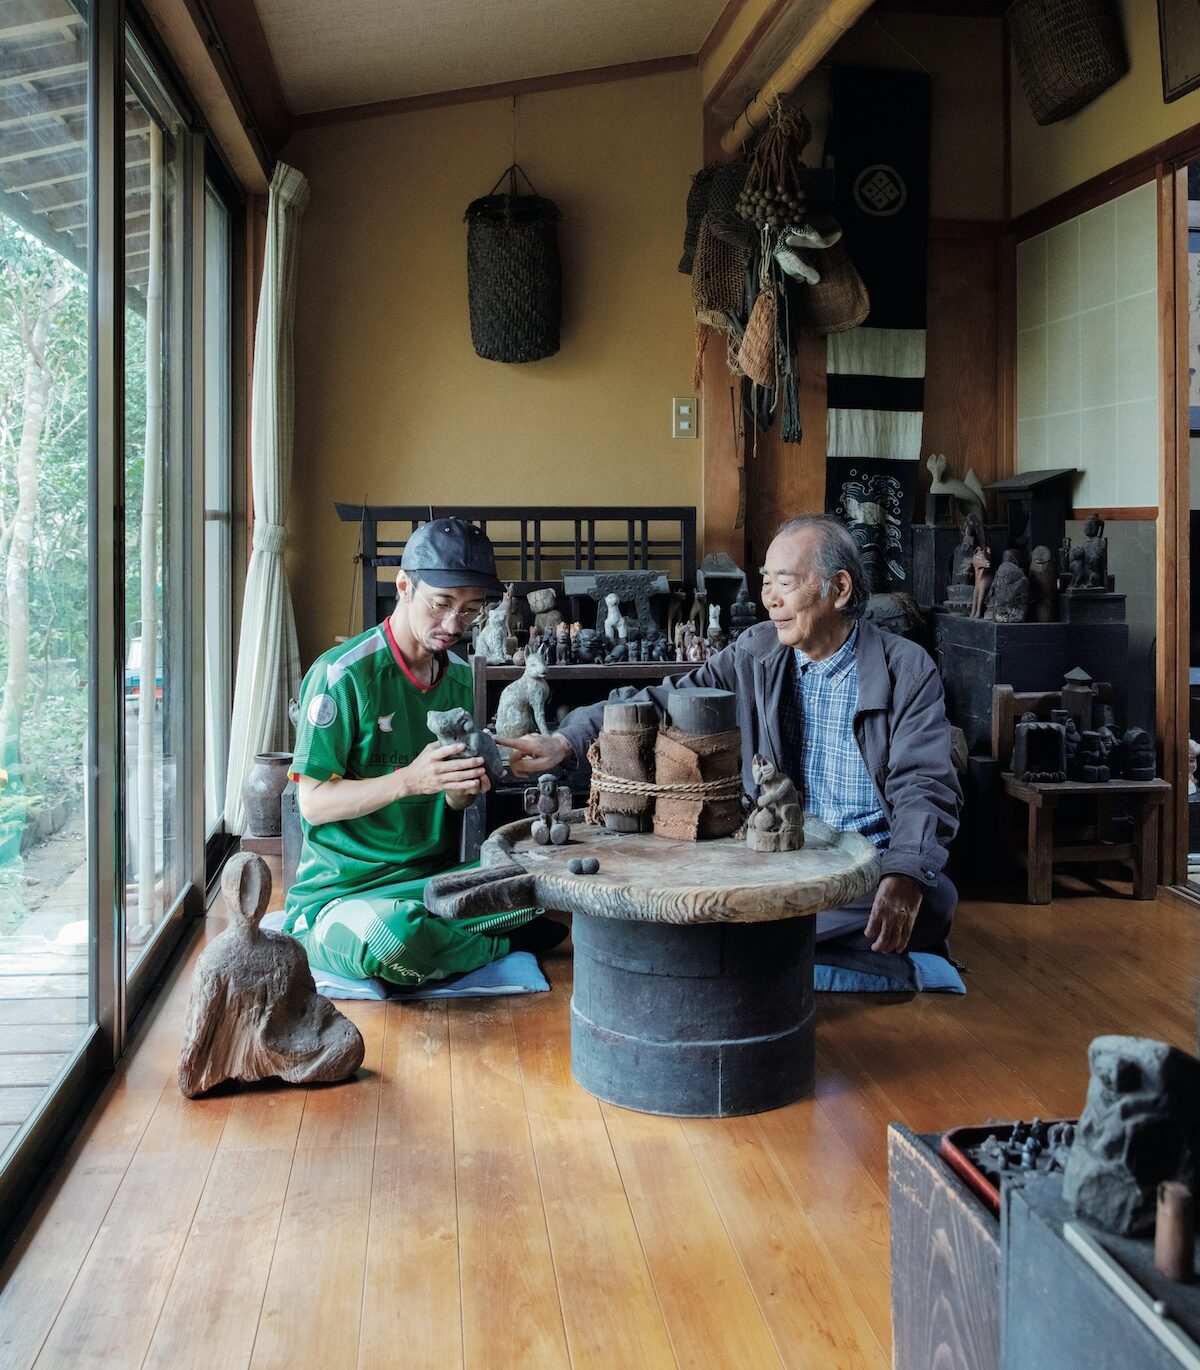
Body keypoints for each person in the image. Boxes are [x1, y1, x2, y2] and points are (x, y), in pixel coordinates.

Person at [506, 514, 962, 959]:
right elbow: (667, 700)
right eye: (766, 582)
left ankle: (738, 939)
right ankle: (783, 941)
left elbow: (924, 784)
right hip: (772, 855)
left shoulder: (905, 668)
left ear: (839, 589)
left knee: (931, 900)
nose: (770, 600)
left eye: (785, 582)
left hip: (862, 863)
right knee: (701, 879)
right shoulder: (755, 651)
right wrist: (565, 741)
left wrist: (905, 873)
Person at [282, 517, 566, 987]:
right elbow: (312, 803)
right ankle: (498, 944)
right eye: (441, 604)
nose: (454, 625)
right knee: (391, 935)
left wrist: (471, 778)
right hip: (343, 895)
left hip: (435, 884)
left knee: (550, 878)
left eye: (470, 611)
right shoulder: (342, 676)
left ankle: (450, 936)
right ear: (404, 587)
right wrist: (409, 780)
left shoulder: (462, 680)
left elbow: (455, 802)